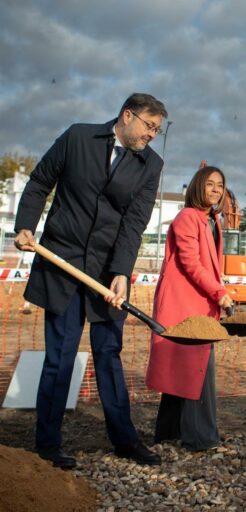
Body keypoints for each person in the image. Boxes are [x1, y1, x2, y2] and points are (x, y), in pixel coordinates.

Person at [14, 93, 168, 469]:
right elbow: (39, 182)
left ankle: (124, 440)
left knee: (108, 355)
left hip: (105, 273)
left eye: (157, 130)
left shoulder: (151, 164)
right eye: (149, 126)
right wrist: (25, 226)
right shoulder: (78, 137)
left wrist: (121, 273)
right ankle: (48, 444)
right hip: (61, 265)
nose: (152, 135)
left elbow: (134, 222)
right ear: (127, 115)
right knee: (60, 357)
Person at [145, 165, 233, 451]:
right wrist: (219, 293)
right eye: (210, 184)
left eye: (220, 185)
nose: (216, 189)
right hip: (183, 304)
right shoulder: (187, 217)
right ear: (197, 187)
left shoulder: (213, 221)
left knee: (181, 369)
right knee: (196, 371)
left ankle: (168, 433)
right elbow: (190, 262)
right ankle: (201, 438)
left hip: (200, 304)